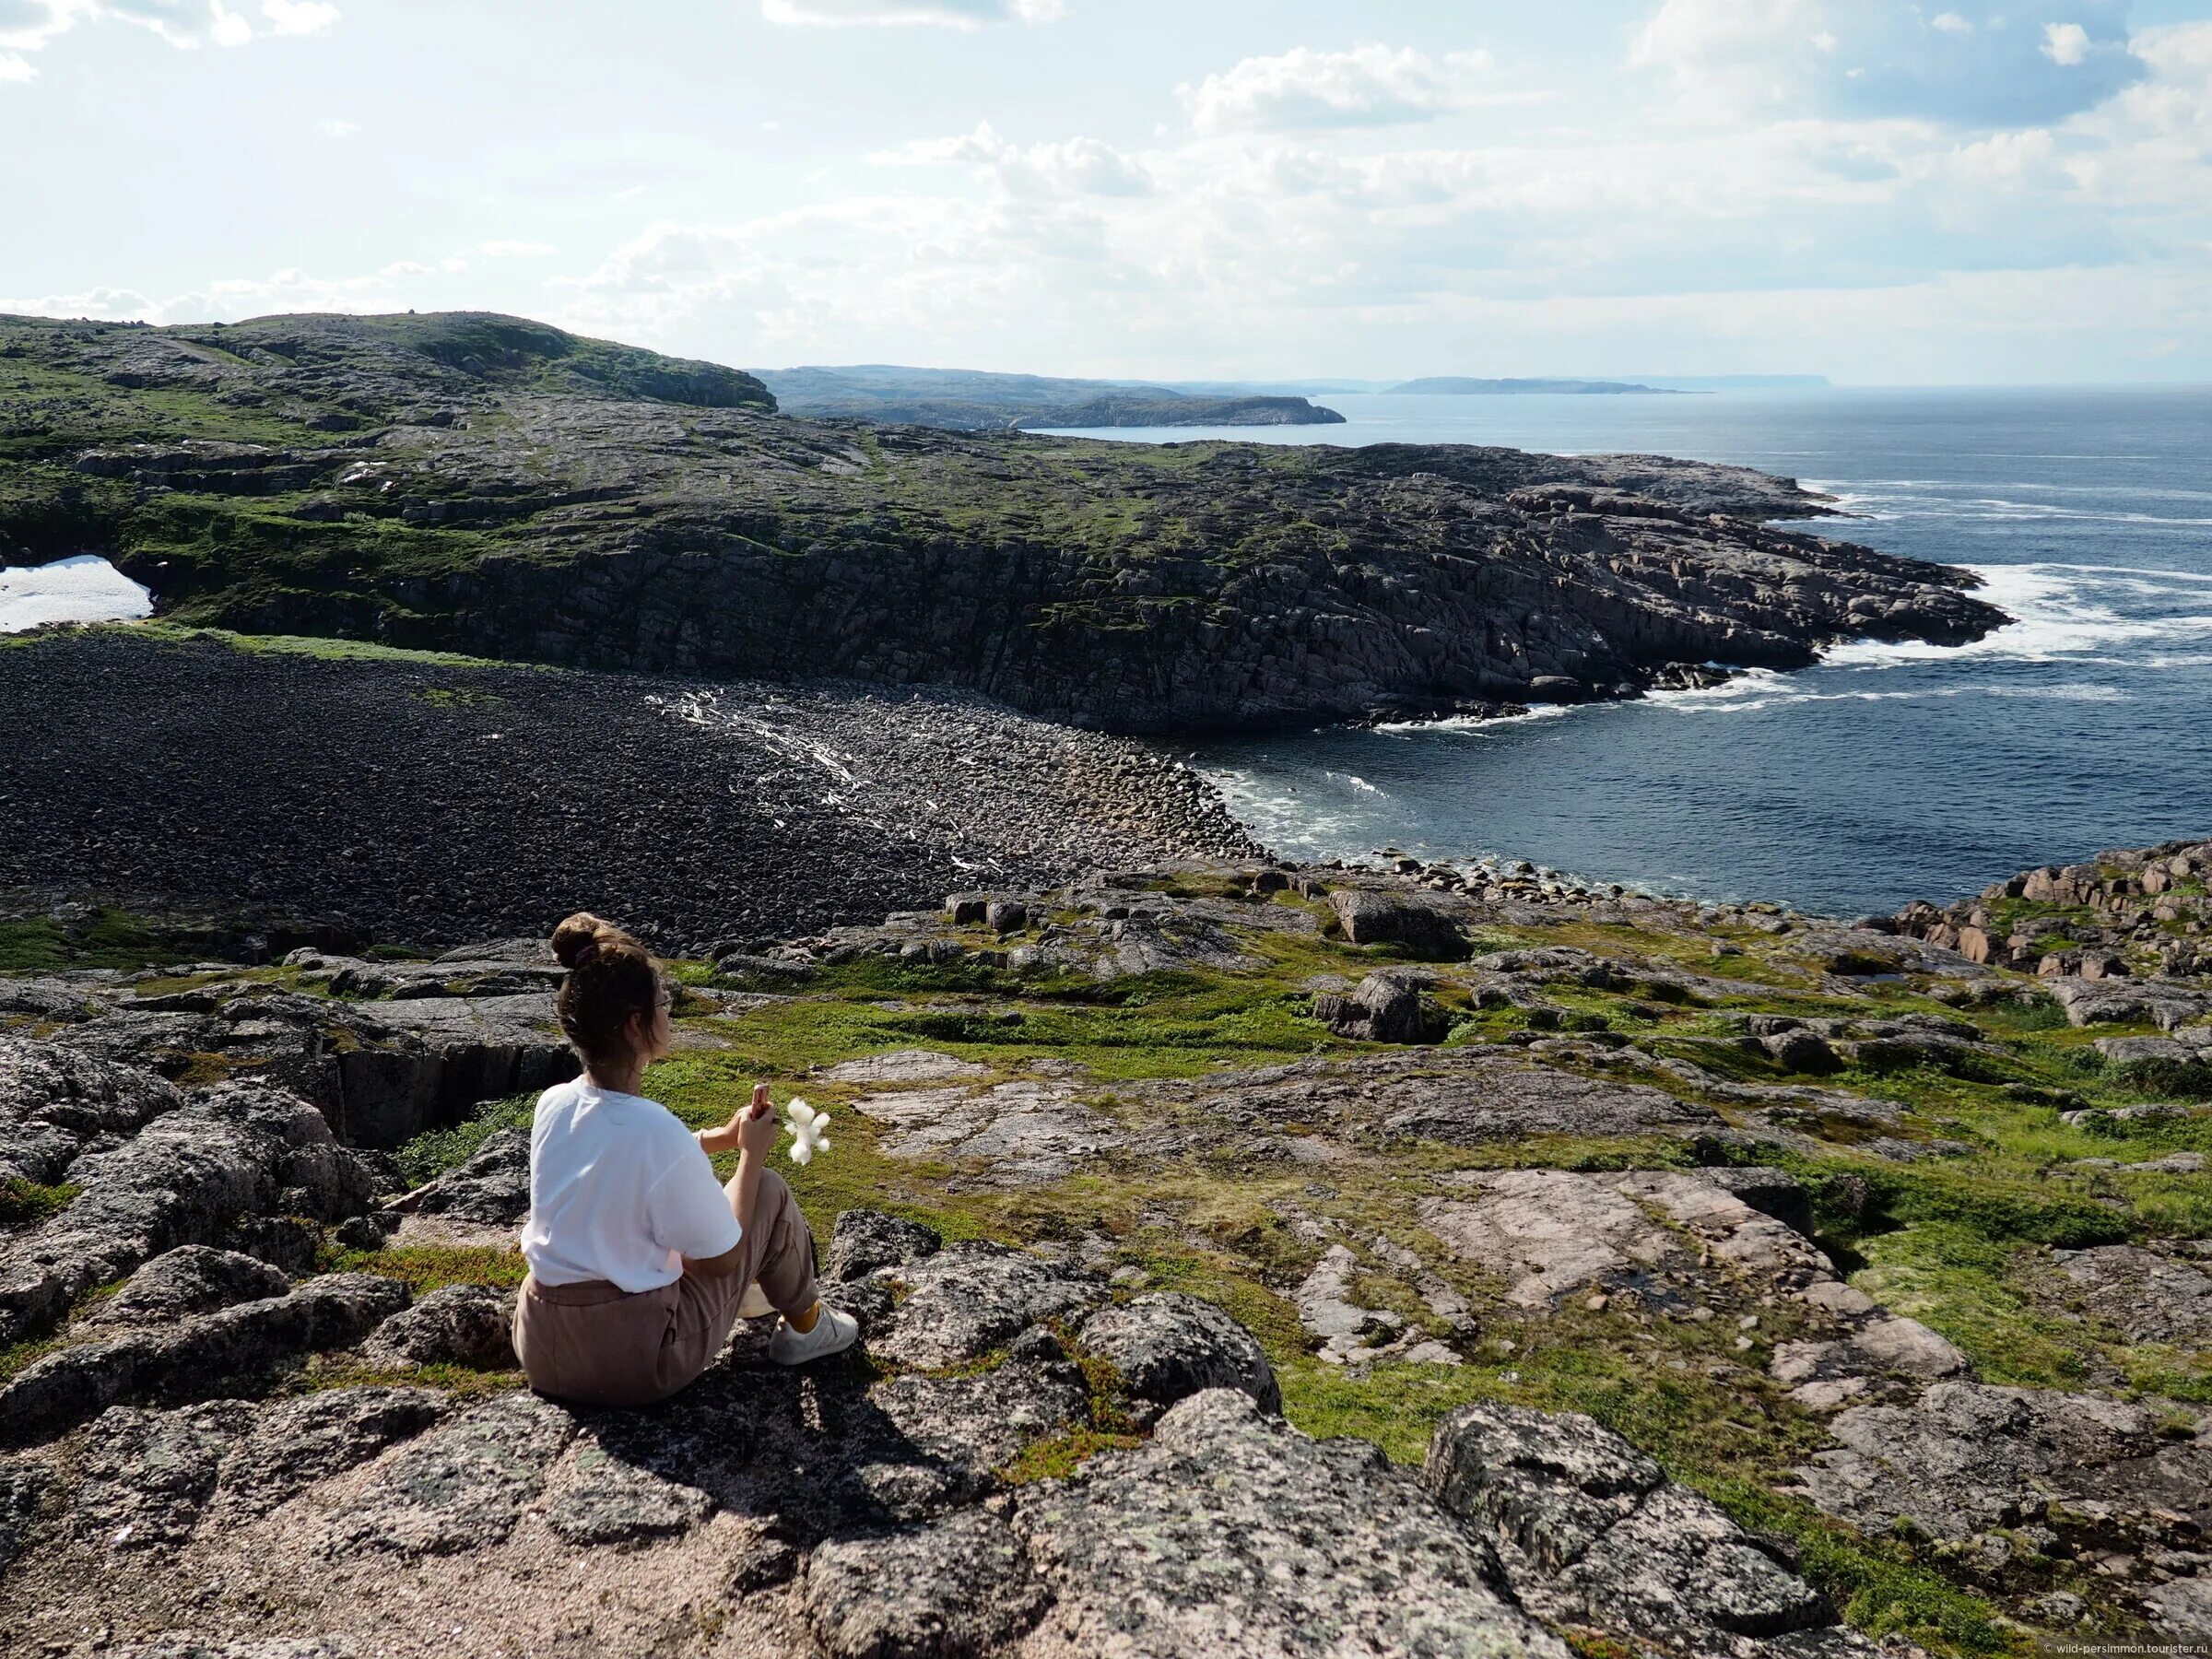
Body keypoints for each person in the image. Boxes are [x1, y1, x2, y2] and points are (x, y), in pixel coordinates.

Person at [511, 912, 857, 1406]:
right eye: (662, 1003)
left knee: (688, 1227)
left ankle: (756, 1295)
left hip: (542, 1346)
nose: (667, 1014)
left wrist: (720, 1138)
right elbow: (721, 1259)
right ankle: (807, 1327)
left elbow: (625, 1159)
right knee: (768, 1192)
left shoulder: (555, 1104)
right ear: (636, 1026)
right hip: (633, 1362)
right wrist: (750, 1157)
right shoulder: (656, 1131)